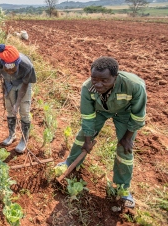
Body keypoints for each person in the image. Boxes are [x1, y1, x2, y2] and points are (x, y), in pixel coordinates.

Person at [58, 56, 147, 208]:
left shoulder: (133, 85)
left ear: (115, 77)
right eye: (94, 79)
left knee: (125, 148)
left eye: (104, 80)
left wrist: (127, 137)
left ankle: (122, 189)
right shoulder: (87, 87)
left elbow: (138, 115)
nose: (98, 84)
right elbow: (88, 117)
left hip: (125, 113)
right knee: (82, 137)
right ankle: (70, 164)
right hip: (100, 110)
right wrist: (87, 141)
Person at [0, 44, 36, 153]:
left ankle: (24, 140)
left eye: (13, 70)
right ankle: (12, 135)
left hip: (22, 84)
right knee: (10, 109)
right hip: (9, 83)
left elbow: (25, 85)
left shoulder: (27, 66)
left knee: (24, 111)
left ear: (18, 63)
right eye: (8, 69)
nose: (11, 71)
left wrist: (17, 103)